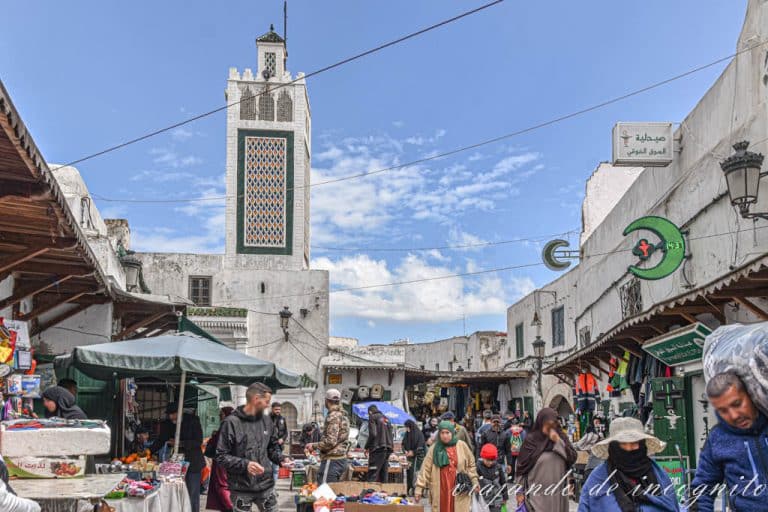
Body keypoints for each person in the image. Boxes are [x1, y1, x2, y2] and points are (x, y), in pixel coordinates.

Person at [690, 372, 768, 512]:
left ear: (750, 394)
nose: (734, 415)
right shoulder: (717, 440)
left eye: (737, 404)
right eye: (723, 410)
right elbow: (702, 490)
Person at [216, 383, 293, 512]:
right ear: (256, 399)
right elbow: (220, 456)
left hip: (266, 485)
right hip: (240, 487)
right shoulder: (231, 422)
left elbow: (272, 448)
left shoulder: (267, 421)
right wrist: (245, 464)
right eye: (267, 401)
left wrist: (281, 459)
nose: (268, 405)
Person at [579, 417, 679, 511]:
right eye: (623, 444)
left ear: (642, 444)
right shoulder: (598, 478)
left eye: (634, 443)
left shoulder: (660, 476)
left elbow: (672, 506)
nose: (629, 448)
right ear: (613, 446)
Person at [514, 408, 577, 512]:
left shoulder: (561, 437)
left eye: (553, 425)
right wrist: (519, 492)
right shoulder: (531, 440)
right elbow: (521, 468)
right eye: (547, 424)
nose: (550, 428)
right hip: (537, 496)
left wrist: (558, 441)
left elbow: (572, 457)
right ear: (540, 423)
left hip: (558, 494)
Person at [414, 421, 480, 512]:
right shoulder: (434, 448)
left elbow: (471, 465)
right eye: (442, 433)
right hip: (440, 487)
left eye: (447, 433)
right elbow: (425, 469)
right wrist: (419, 489)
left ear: (452, 433)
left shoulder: (461, 445)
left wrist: (474, 481)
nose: (445, 436)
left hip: (458, 486)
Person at [151, 402, 204, 512]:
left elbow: (198, 441)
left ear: (180, 412)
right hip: (175, 465)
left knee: (192, 494)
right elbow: (161, 440)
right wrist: (149, 451)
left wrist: (180, 443)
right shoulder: (167, 424)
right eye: (169, 414)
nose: (171, 417)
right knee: (175, 494)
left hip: (193, 463)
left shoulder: (193, 420)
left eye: (173, 414)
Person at [304, 389, 350, 484]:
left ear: (327, 401)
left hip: (332, 460)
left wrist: (313, 445)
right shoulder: (342, 415)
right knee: (332, 494)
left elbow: (330, 441)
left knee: (324, 493)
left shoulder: (333, 416)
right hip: (340, 459)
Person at [205, 406, 235, 512]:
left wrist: (214, 437)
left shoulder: (226, 424)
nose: (219, 416)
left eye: (221, 414)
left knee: (222, 485)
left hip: (223, 460)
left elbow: (220, 443)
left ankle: (231, 507)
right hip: (231, 460)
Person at [365, 404, 394, 483]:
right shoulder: (386, 419)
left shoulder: (372, 417)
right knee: (383, 475)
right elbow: (391, 434)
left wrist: (366, 446)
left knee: (372, 474)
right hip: (388, 449)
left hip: (377, 449)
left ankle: (370, 493)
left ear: (370, 412)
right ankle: (384, 494)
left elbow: (373, 434)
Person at [478, 444, 508, 512]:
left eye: (492, 460)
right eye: (487, 460)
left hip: (496, 499)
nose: (490, 462)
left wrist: (505, 497)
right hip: (483, 500)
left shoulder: (498, 467)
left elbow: (503, 482)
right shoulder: (478, 467)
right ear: (482, 457)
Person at [403, 419, 426, 496]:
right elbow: (403, 444)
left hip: (417, 458)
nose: (406, 429)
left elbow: (420, 447)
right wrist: (405, 451)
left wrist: (413, 452)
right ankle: (410, 488)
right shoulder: (407, 434)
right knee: (409, 473)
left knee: (415, 474)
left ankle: (416, 489)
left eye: (407, 427)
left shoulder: (419, 434)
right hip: (409, 458)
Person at [269, 402, 289, 480]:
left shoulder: (282, 419)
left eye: (279, 409)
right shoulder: (267, 419)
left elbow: (285, 432)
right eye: (276, 409)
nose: (278, 411)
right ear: (272, 409)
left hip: (279, 446)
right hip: (269, 446)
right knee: (269, 468)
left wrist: (282, 439)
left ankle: (273, 488)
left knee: (276, 468)